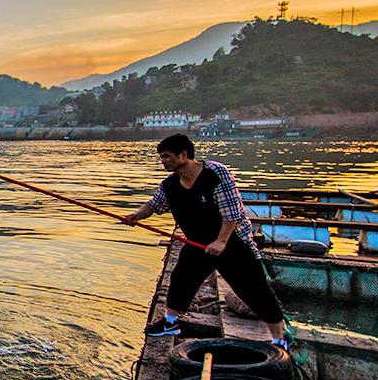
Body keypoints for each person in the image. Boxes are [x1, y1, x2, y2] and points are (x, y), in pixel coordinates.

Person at [122, 133, 287, 348]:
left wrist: (220, 241)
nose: (163, 161)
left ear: (183, 154)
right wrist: (136, 215)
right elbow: (154, 205)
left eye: (166, 157)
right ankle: (171, 322)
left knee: (254, 289)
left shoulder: (215, 173)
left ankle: (279, 339)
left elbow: (232, 212)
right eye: (161, 157)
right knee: (181, 277)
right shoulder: (170, 185)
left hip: (231, 241)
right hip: (197, 242)